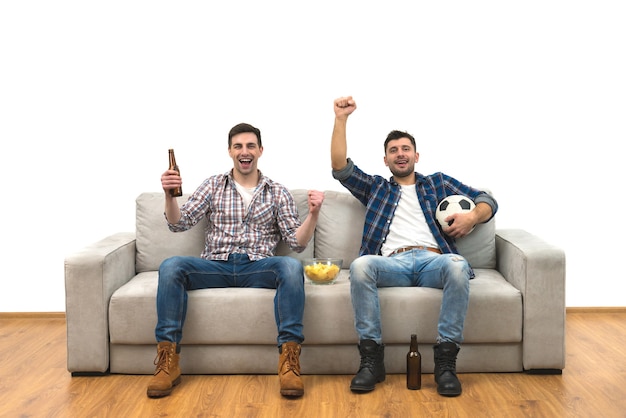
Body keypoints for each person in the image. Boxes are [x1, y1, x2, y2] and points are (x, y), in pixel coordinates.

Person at [330, 96, 498, 397]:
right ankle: (371, 361)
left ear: (416, 156)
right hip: (391, 263)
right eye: (393, 150)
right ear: (386, 160)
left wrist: (472, 217)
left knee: (458, 266)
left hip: (434, 261)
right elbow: (340, 168)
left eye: (405, 148)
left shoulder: (437, 183)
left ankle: (445, 363)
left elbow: (488, 200)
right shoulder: (377, 187)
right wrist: (341, 119)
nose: (400, 154)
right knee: (360, 265)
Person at [147, 122, 324, 399]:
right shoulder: (213, 184)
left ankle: (289, 361)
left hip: (258, 266)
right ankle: (168, 361)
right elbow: (178, 223)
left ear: (260, 151)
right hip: (215, 265)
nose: (245, 151)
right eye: (238, 146)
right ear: (230, 151)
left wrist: (313, 214)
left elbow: (296, 243)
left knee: (290, 266)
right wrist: (170, 197)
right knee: (172, 266)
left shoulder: (277, 191)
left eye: (250, 146)